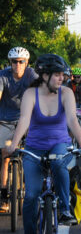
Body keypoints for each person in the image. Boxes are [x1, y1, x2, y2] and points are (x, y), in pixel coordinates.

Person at [6, 54, 81, 233]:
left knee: (59, 162)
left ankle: (65, 209)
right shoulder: (30, 94)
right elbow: (24, 119)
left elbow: (72, 120)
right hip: (34, 147)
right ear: (45, 76)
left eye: (63, 75)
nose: (62, 78)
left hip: (59, 143)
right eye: (58, 75)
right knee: (31, 195)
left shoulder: (66, 93)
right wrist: (14, 144)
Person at [0, 47, 37, 212]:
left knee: (34, 153)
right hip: (5, 120)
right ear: (10, 63)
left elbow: (40, 91)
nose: (17, 65)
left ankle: (36, 188)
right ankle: (3, 195)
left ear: (26, 62)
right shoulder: (3, 75)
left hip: (27, 119)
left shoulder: (31, 75)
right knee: (5, 154)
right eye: (14, 61)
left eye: (21, 61)